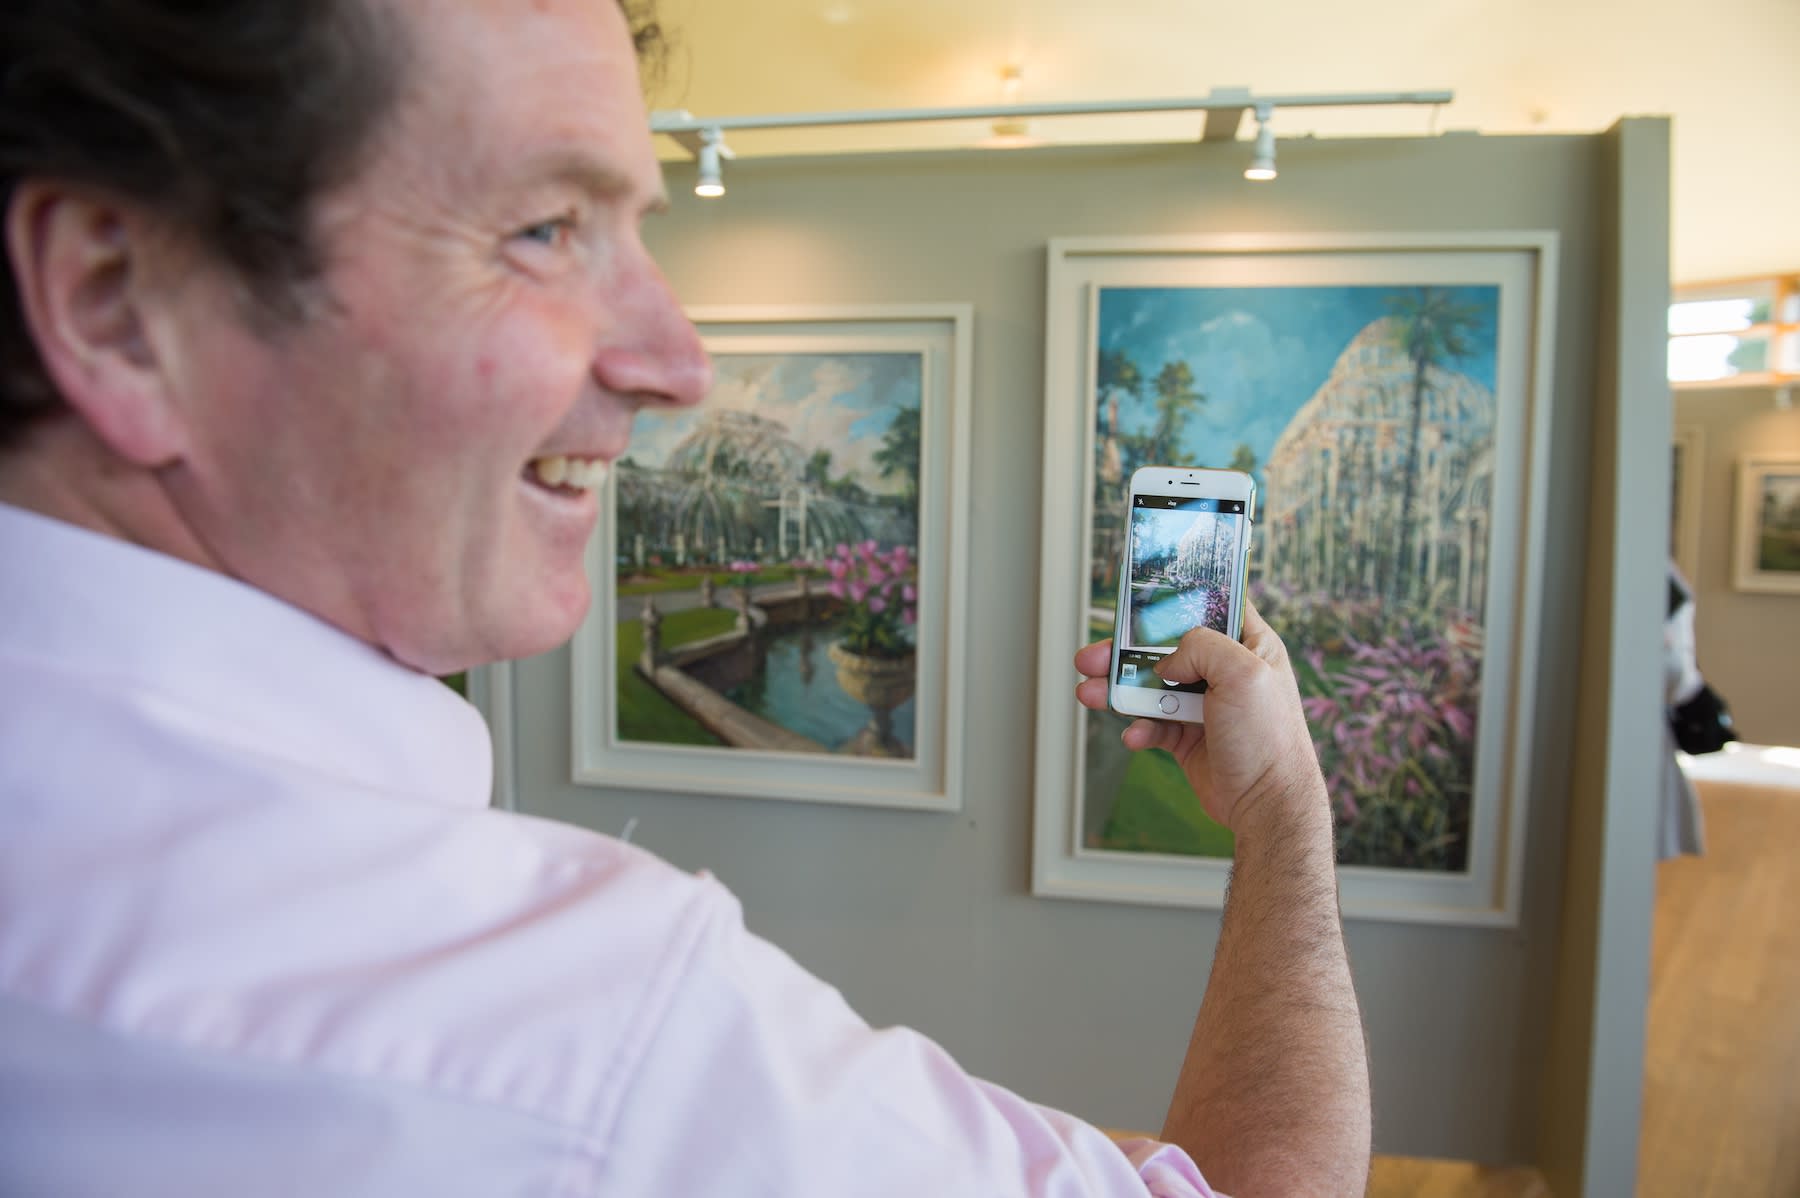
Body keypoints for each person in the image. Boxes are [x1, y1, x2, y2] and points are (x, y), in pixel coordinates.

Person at [0, 0, 1370, 1194]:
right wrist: (1283, 814)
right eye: (543, 228)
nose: (677, 359)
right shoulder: (584, 1047)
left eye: (632, 231)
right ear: (121, 304)